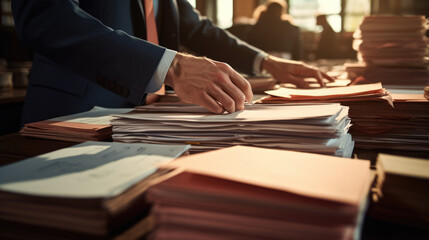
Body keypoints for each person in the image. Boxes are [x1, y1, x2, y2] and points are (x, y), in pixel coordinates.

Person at [12, 0, 332, 124]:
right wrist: (173, 66)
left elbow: (198, 28)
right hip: (71, 119)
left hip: (147, 124)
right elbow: (44, 15)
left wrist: (267, 62)